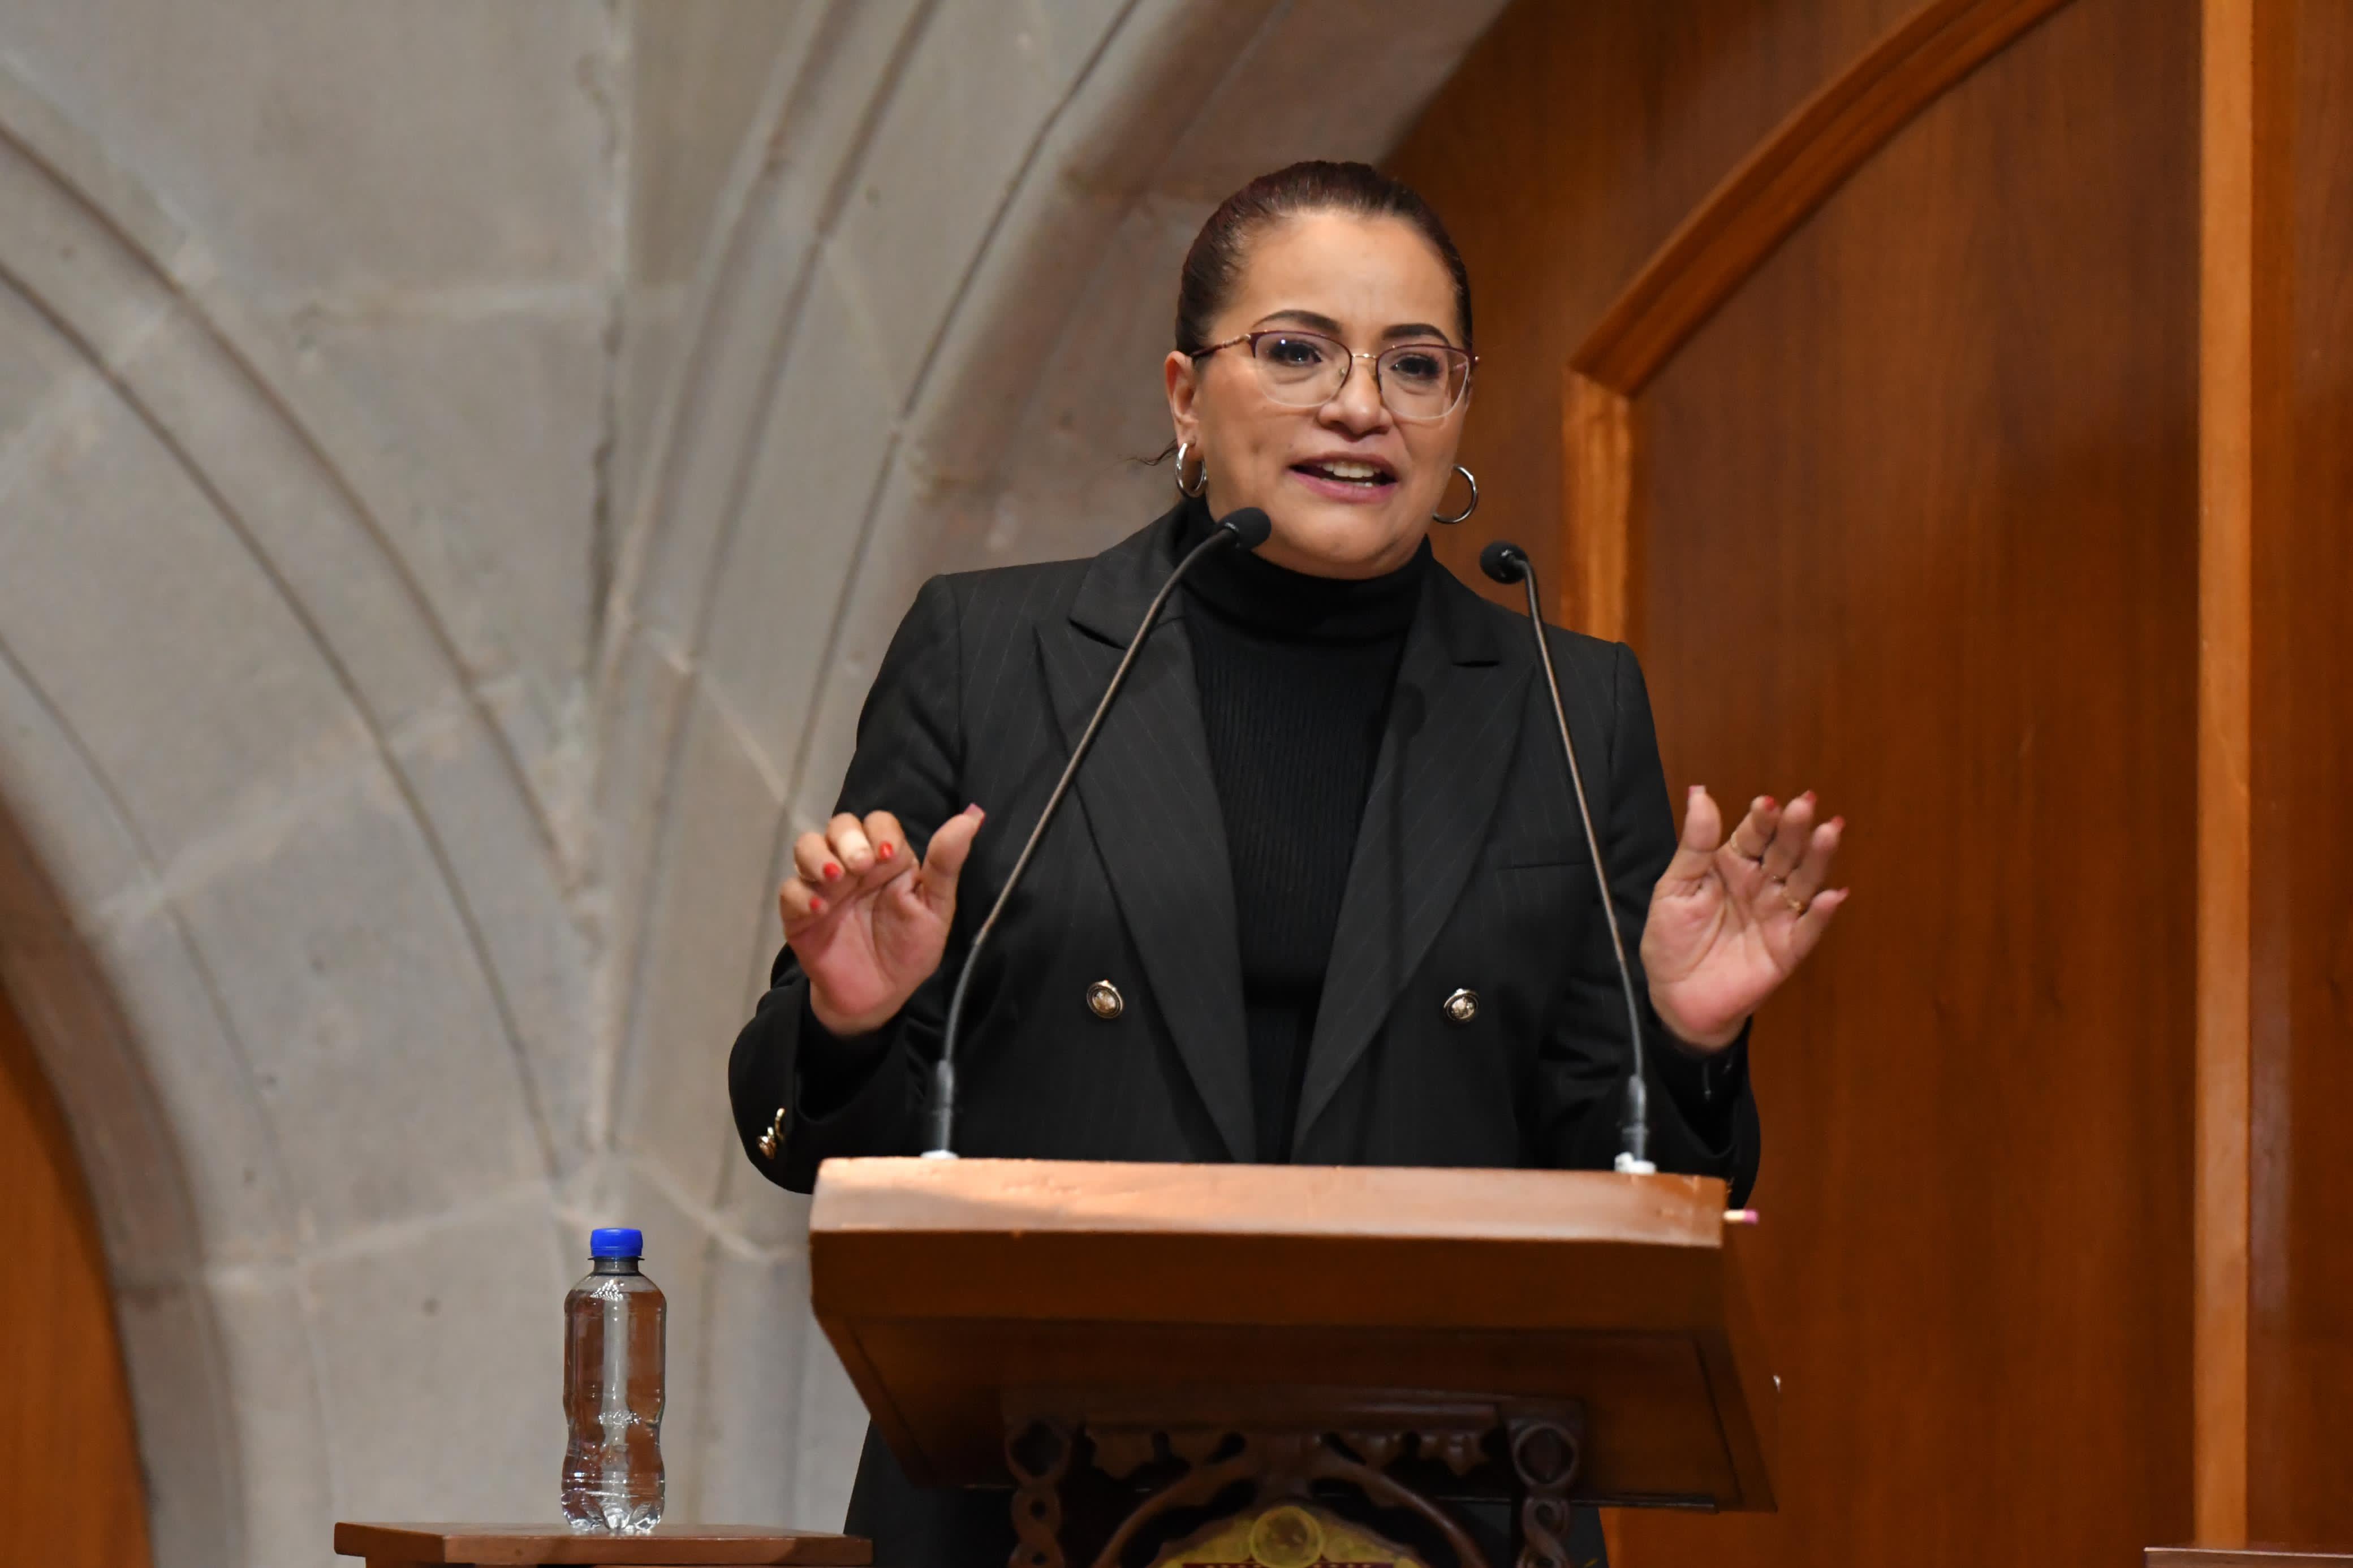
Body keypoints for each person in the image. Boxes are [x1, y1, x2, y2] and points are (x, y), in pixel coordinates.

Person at [729, 161, 1846, 1568]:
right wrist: (852, 1017)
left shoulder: (1566, 708)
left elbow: (1623, 1202)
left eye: (1415, 364)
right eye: (1298, 350)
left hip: (1439, 1505)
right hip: (1036, 1505)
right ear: (1185, 398)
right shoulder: (993, 658)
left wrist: (1683, 1041)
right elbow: (803, 1144)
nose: (1360, 404)